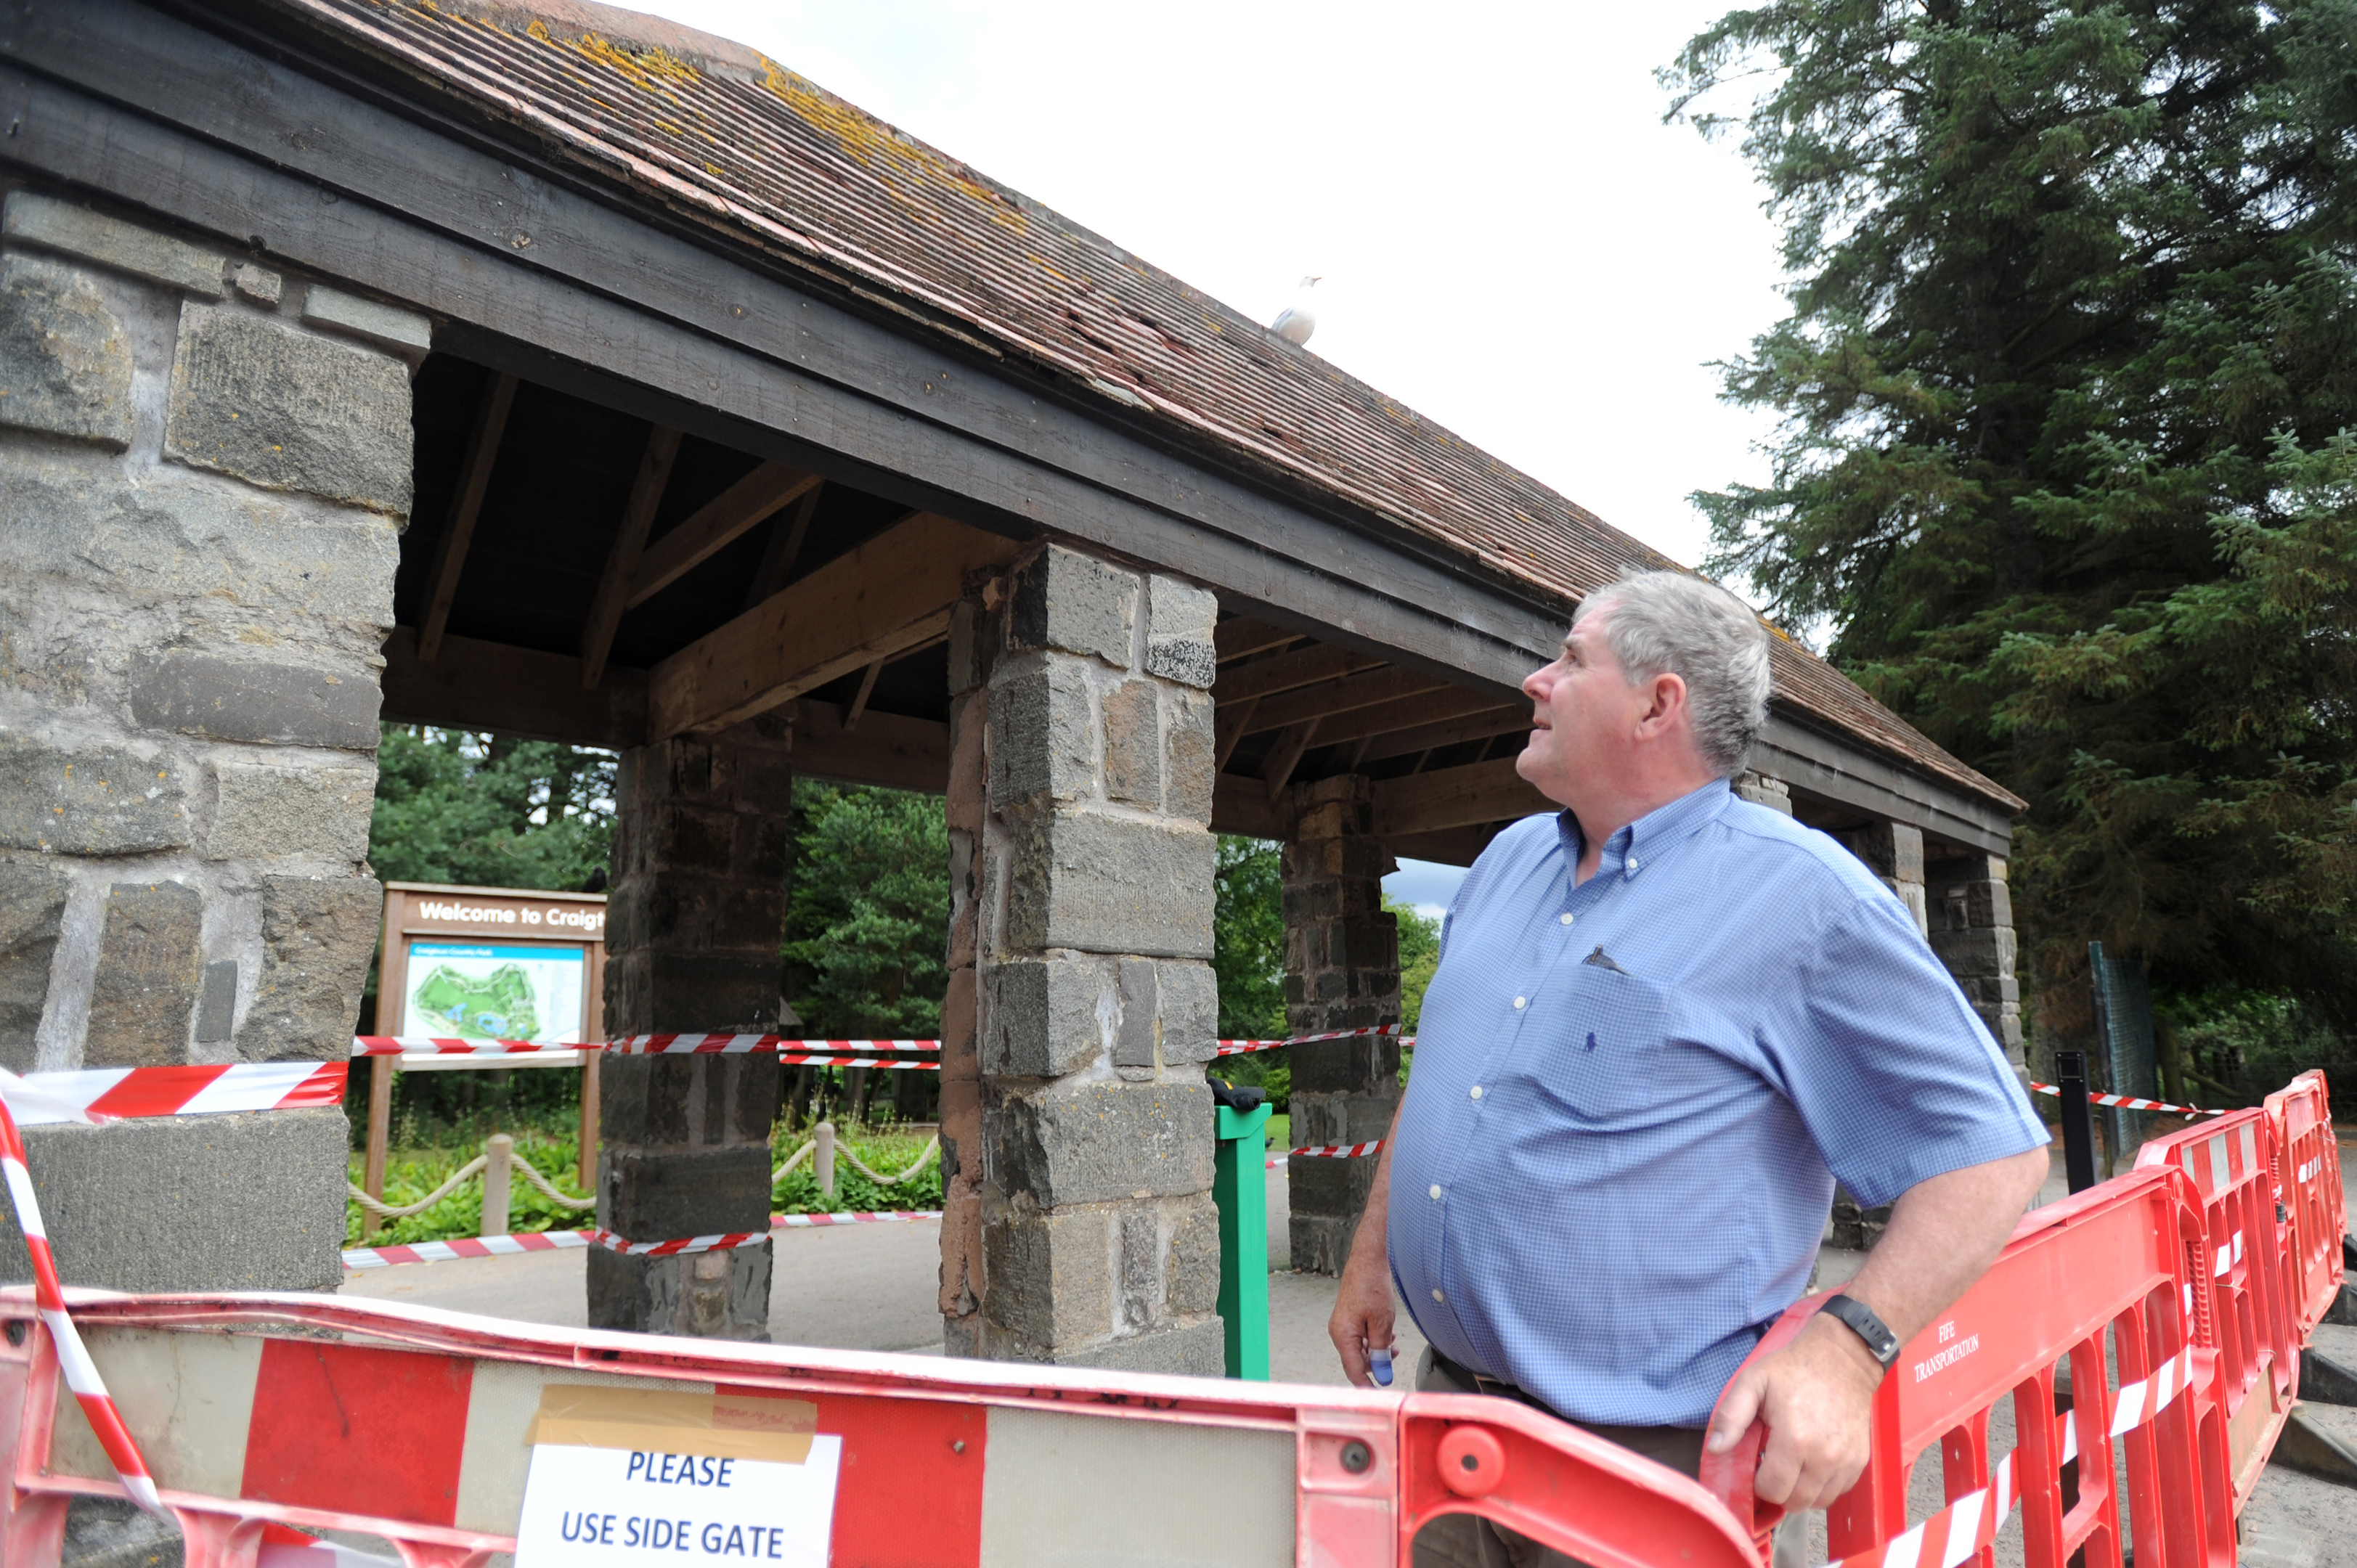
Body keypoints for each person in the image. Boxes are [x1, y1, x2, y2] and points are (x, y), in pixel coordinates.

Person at [1327, 570, 2051, 1565]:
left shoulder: (1801, 897)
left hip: (1646, 1469)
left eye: (1570, 659)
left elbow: (1988, 1154)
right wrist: (1372, 1254)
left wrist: (1848, 1351)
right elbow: (1451, 1081)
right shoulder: (1501, 864)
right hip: (1447, 1422)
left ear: (1656, 703)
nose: (1534, 681)